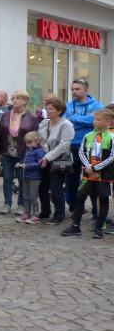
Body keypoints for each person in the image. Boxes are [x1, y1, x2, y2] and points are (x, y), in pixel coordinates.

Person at [61, 108, 114, 239]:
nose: (95, 122)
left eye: (98, 120)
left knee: (103, 199)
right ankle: (75, 226)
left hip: (103, 176)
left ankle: (99, 228)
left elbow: (111, 156)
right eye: (94, 119)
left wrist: (96, 168)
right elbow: (81, 152)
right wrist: (88, 167)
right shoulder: (88, 136)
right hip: (88, 174)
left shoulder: (111, 137)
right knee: (80, 197)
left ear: (108, 122)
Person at [0, 91, 39, 215]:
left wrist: (33, 153)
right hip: (7, 152)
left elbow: (35, 136)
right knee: (7, 178)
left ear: (25, 101)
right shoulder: (5, 115)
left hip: (24, 153)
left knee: (22, 179)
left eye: (18, 98)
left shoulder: (32, 117)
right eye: (13, 98)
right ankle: (7, 203)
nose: (14, 101)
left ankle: (21, 205)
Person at [65, 78, 104, 214]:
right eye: (72, 89)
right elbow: (65, 122)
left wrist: (73, 118)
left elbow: (94, 121)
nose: (74, 91)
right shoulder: (68, 105)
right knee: (72, 178)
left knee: (92, 177)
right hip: (73, 146)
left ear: (86, 90)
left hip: (91, 147)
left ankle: (96, 210)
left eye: (77, 89)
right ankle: (74, 207)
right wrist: (85, 121)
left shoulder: (97, 105)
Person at [37, 97, 74, 225]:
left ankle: (59, 214)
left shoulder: (66, 125)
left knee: (56, 188)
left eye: (51, 109)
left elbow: (63, 146)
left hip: (59, 160)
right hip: (44, 158)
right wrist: (43, 155)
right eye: (47, 108)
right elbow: (40, 140)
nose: (48, 111)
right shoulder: (44, 123)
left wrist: (48, 157)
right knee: (42, 186)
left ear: (59, 111)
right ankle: (45, 211)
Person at [16, 131, 46, 224]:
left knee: (33, 197)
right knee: (25, 196)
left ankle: (36, 215)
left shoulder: (40, 151)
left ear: (37, 141)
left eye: (29, 142)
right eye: (26, 143)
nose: (27, 145)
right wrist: (20, 163)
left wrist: (27, 166)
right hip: (26, 176)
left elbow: (40, 164)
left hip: (35, 178)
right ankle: (27, 213)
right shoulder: (28, 150)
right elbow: (24, 160)